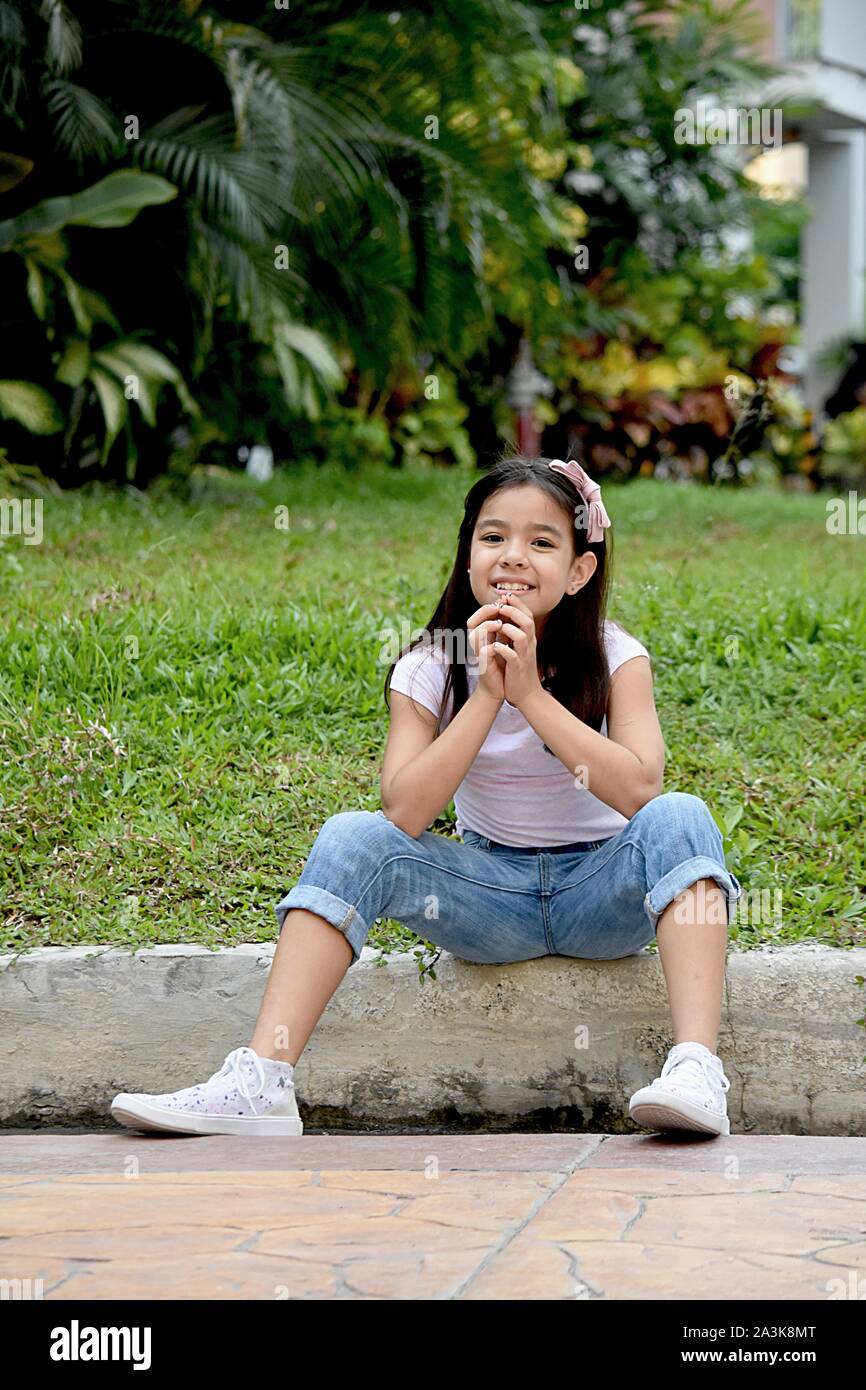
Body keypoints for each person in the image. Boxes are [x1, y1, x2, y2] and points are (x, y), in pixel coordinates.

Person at [111, 452, 742, 1140]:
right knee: (353, 835)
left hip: (602, 891)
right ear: (469, 555)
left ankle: (695, 1068)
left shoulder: (618, 657)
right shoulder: (429, 665)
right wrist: (484, 697)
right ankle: (261, 1080)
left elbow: (638, 788)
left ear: (579, 569)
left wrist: (529, 695)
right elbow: (406, 812)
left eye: (542, 542)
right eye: (493, 537)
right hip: (488, 897)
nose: (513, 558)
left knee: (683, 814)